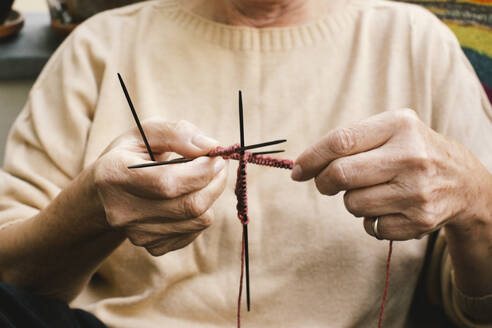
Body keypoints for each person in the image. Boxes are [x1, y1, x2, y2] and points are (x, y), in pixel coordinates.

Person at [0, 0, 491, 327]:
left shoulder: (414, 42)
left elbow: (478, 308)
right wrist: (92, 211)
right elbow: (11, 280)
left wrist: (475, 201)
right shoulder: (99, 46)